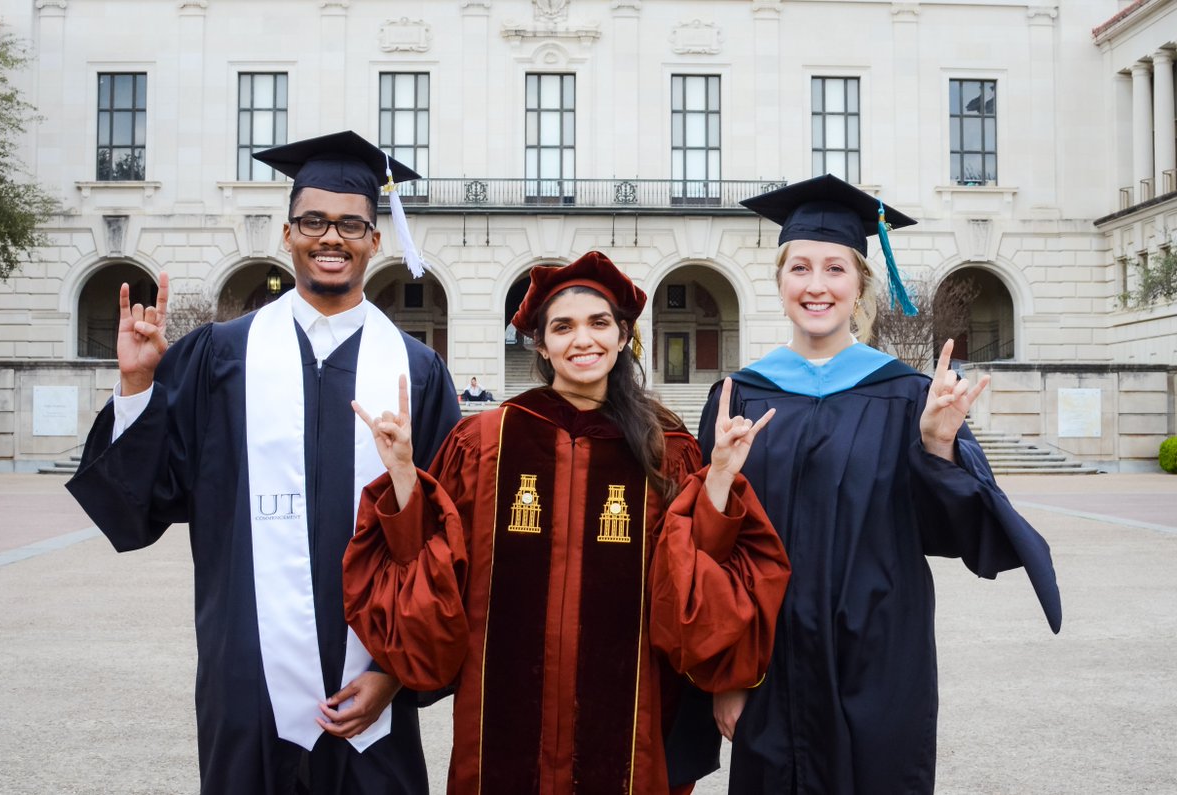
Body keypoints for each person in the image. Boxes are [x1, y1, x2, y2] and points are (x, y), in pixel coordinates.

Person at [65, 131, 461, 794]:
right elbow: (141, 505)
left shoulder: (417, 374)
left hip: (376, 683)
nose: (330, 237)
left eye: (350, 224)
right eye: (313, 221)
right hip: (247, 684)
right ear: (287, 233)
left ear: (375, 240)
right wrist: (138, 386)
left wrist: (394, 673)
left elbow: (449, 545)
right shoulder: (219, 357)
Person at [341, 251, 791, 794]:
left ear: (624, 336)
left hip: (634, 721)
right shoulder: (485, 441)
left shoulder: (665, 447)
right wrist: (405, 476)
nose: (584, 340)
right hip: (500, 716)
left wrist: (717, 476)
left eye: (600, 324)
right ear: (541, 343)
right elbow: (435, 565)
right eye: (564, 327)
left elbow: (698, 572)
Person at [699, 174, 1063, 794]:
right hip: (771, 658)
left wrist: (938, 445)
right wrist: (728, 672)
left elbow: (958, 532)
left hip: (882, 652)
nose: (817, 286)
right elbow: (711, 549)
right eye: (801, 268)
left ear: (860, 283)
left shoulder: (906, 395)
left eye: (835, 269)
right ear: (781, 280)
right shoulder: (739, 396)